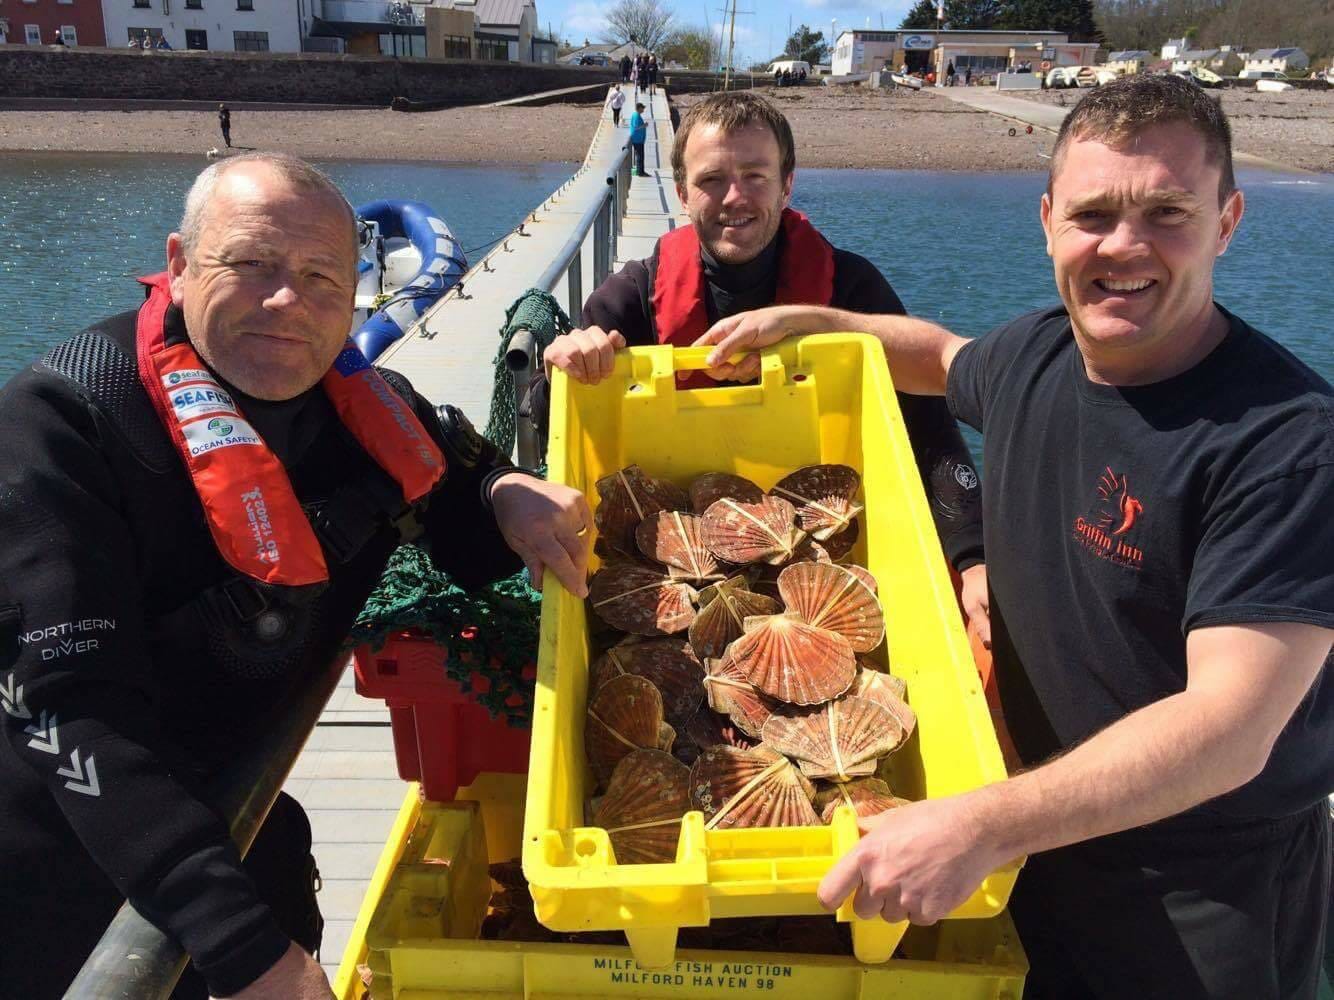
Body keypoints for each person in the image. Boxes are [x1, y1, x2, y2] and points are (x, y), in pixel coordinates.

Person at [694, 75, 1332, 999]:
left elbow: (1229, 729)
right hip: (1035, 828)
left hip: (1200, 884)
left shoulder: (1286, 441)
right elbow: (945, 358)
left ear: (1227, 221)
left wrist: (986, 823)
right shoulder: (1040, 352)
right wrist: (822, 324)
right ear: (1046, 221)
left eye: (1166, 211)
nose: (1124, 245)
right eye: (1093, 214)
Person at [0, 152, 591, 1000]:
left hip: (244, 817)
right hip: (67, 860)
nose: (289, 301)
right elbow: (72, 717)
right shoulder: (59, 426)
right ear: (177, 263)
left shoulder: (362, 405)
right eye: (252, 264)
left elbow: (456, 481)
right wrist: (246, 951)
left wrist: (504, 489)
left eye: (323, 276)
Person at [542, 92, 989, 626]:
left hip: (819, 543)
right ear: (682, 192)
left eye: (755, 175)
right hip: (667, 559)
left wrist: (972, 555)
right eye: (711, 179)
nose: (735, 196)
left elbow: (927, 422)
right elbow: (558, 419)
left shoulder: (851, 287)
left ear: (787, 183)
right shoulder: (632, 296)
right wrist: (564, 364)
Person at [628, 101, 648, 176]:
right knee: (640, 156)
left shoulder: (636, 114)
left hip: (638, 139)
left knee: (640, 156)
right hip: (637, 140)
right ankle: (640, 172)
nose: (643, 109)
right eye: (642, 108)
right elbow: (636, 127)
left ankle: (641, 171)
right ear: (639, 108)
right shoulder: (636, 116)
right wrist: (644, 125)